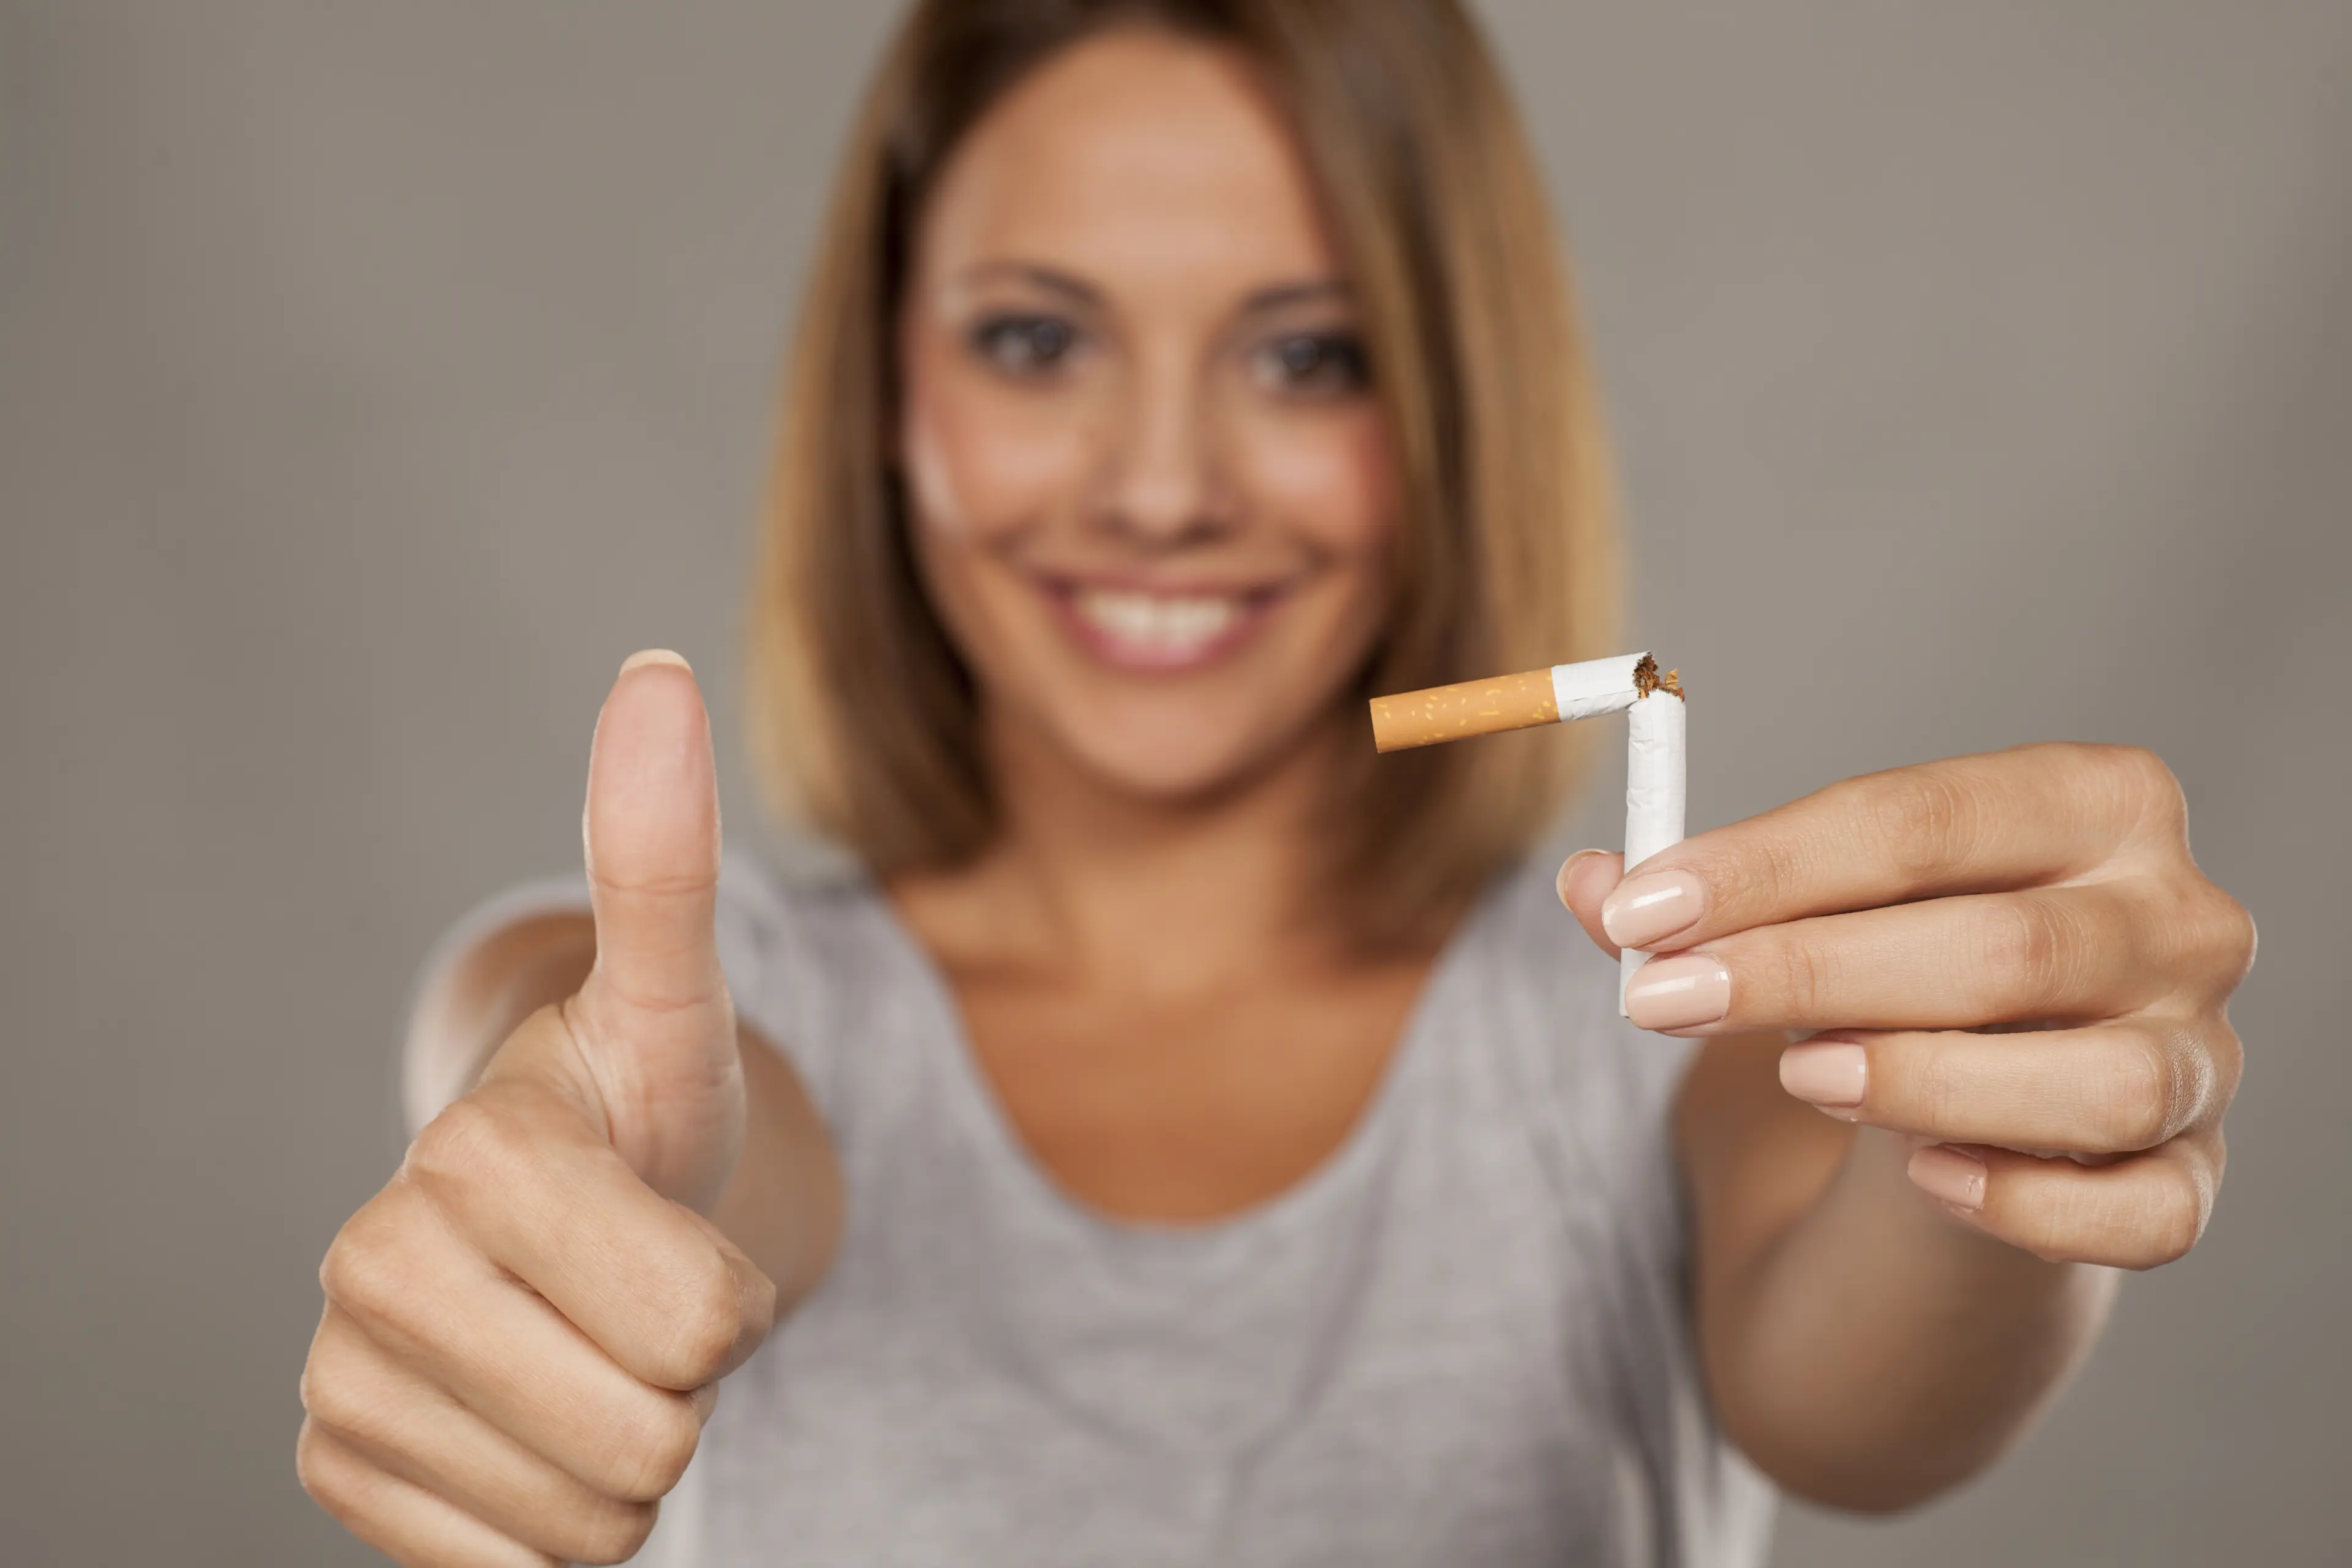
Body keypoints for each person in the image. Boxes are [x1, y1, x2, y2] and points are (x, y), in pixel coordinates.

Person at [293, 2, 2255, 1564]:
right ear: (890, 388)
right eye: (1036, 338)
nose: (1162, 486)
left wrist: (2003, 1130)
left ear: (1455, 403)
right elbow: (653, 1132)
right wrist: (579, 1201)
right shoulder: (708, 1024)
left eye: (1309, 357)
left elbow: (1869, 1411)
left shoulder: (1655, 1030)